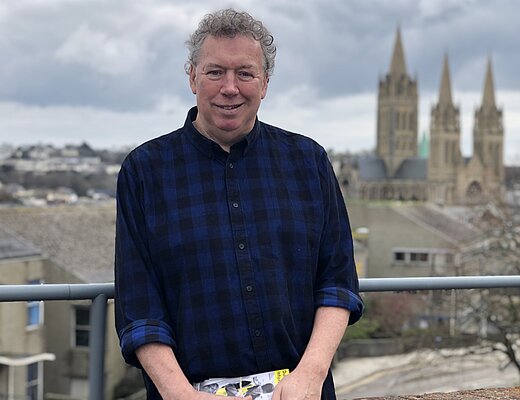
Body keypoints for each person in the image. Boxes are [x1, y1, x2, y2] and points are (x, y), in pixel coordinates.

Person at [114, 8, 363, 400]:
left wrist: (311, 374)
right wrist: (179, 394)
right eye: (215, 72)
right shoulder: (144, 172)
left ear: (264, 83)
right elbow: (140, 307)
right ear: (192, 76)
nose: (230, 87)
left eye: (245, 73)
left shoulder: (307, 161)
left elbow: (337, 283)